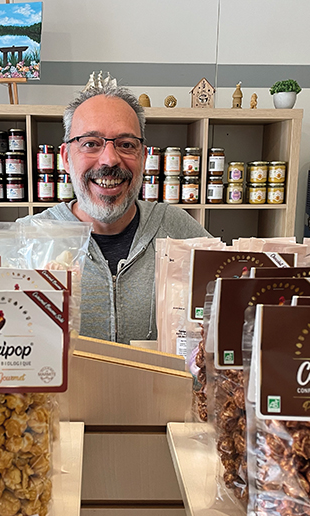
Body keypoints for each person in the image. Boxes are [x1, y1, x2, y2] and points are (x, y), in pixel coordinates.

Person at [23, 83, 210, 344]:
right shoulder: (28, 240)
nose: (109, 159)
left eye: (126, 144)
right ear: (65, 158)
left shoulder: (180, 230)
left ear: (143, 157)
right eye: (90, 143)